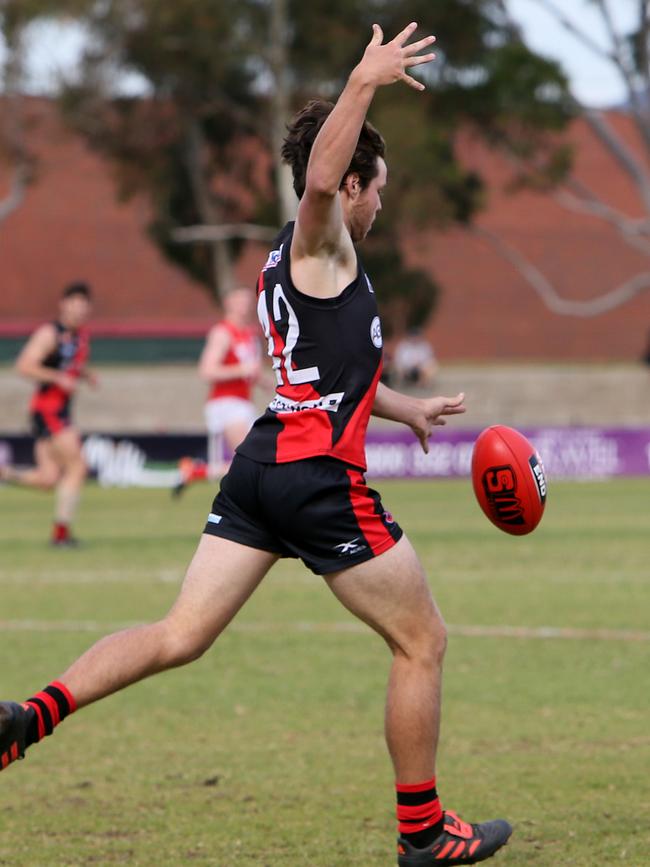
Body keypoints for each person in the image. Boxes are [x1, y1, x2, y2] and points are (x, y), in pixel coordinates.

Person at [0, 24, 512, 866]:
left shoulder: (299, 262)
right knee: (423, 641)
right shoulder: (322, 233)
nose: (379, 201)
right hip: (315, 478)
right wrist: (364, 80)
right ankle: (423, 830)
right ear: (351, 183)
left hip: (265, 467)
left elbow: (332, 377)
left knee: (178, 635)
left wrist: (407, 407)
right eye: (377, 186)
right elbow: (318, 179)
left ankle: (28, 717)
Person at [0, 281, 95, 546]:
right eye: (74, 304)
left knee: (48, 479)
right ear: (63, 305)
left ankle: (4, 474)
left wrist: (85, 375)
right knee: (78, 466)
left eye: (84, 306)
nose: (79, 311)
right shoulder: (49, 333)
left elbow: (71, 364)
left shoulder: (80, 335)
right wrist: (58, 378)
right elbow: (24, 365)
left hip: (58, 410)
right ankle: (61, 535)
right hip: (48, 410)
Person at [173, 287, 261, 496]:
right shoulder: (222, 332)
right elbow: (206, 370)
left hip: (244, 401)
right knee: (250, 459)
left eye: (248, 301)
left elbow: (252, 373)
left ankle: (195, 471)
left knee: (251, 461)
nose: (245, 306)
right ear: (228, 303)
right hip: (226, 402)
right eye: (239, 300)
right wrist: (241, 369)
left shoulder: (249, 334)